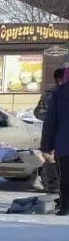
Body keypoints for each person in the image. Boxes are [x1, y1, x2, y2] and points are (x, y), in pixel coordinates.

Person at [39, 66, 69, 216]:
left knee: (65, 176)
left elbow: (50, 122)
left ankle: (65, 207)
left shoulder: (58, 94)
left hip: (64, 144)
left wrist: (46, 145)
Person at [36, 68, 65, 200]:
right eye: (59, 79)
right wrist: (51, 117)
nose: (61, 82)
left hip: (63, 134)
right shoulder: (50, 94)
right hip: (53, 134)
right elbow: (38, 112)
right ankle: (53, 192)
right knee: (51, 163)